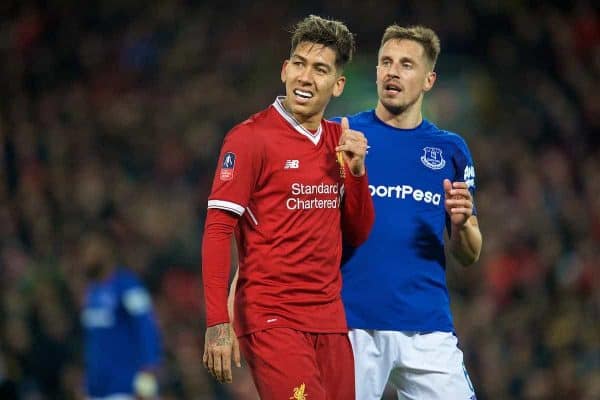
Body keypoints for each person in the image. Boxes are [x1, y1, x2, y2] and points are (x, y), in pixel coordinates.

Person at [201, 14, 374, 400]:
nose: (305, 77)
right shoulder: (250, 138)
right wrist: (217, 322)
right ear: (284, 70)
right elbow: (217, 230)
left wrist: (358, 173)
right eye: (298, 64)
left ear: (338, 84)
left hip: (329, 320)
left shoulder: (340, 140)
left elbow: (359, 233)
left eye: (320, 69)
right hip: (271, 317)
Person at [337, 25, 482, 400]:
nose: (392, 72)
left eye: (406, 64)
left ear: (428, 79)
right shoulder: (343, 134)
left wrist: (462, 223)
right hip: (351, 323)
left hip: (427, 327)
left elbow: (469, 253)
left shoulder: (451, 150)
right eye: (386, 62)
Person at [80, 232, 162, 400]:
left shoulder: (128, 286)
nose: (85, 255)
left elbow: (147, 326)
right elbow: (93, 342)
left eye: (90, 249)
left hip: (125, 386)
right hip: (97, 388)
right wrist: (87, 382)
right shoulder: (92, 292)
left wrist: (149, 371)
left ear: (106, 251)